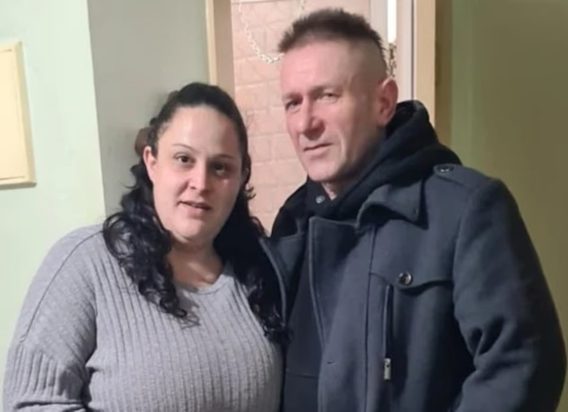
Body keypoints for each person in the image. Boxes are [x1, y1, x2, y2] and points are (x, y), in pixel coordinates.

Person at [264, 8, 566, 412]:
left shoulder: (464, 209)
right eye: (292, 103)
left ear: (384, 102)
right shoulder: (290, 226)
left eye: (327, 96)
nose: (305, 123)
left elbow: (523, 363)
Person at [4, 82, 285, 411]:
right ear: (151, 162)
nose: (200, 183)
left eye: (220, 167)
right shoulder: (86, 264)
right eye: (183, 159)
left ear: (241, 177)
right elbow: (30, 402)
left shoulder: (261, 271)